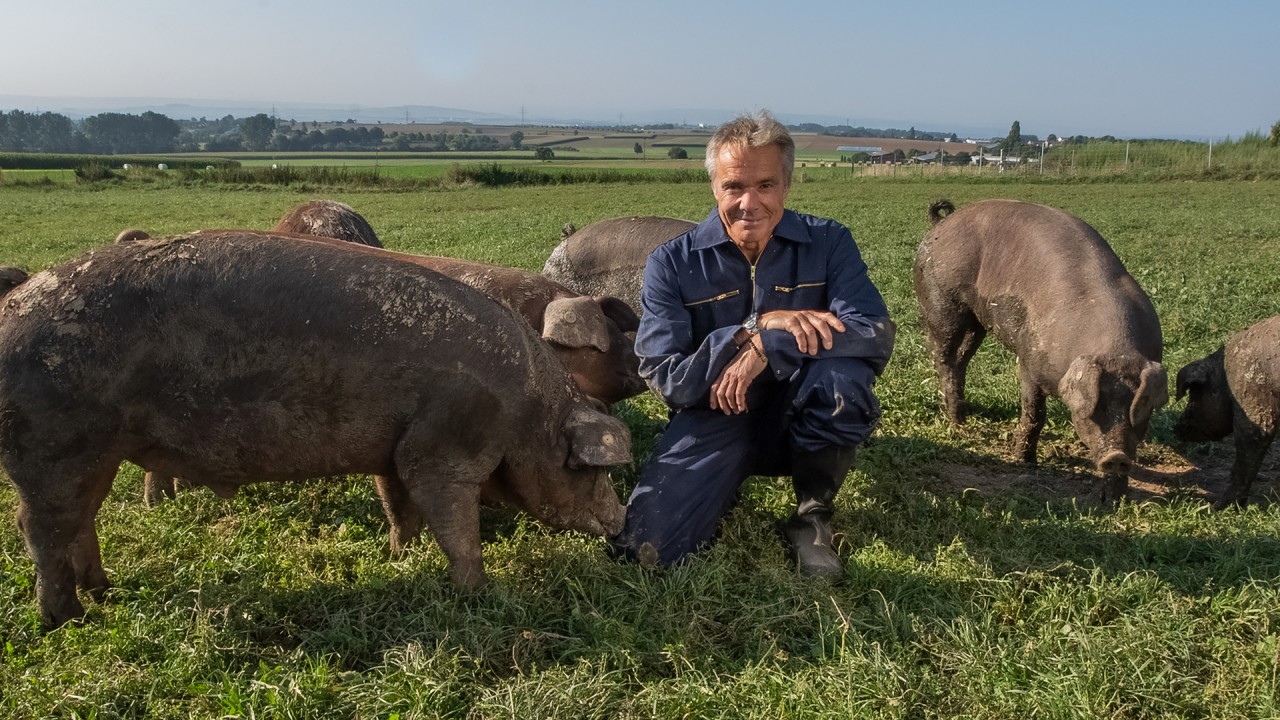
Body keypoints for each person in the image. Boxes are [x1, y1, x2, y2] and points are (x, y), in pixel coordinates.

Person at [611, 110, 895, 577]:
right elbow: (667, 378)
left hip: (800, 412)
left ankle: (812, 518)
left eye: (765, 185)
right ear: (714, 187)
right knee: (647, 547)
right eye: (734, 187)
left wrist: (768, 344)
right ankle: (723, 476)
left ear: (786, 185)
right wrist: (750, 327)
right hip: (717, 413)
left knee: (841, 383)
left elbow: (871, 331)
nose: (750, 202)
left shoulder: (828, 243)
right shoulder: (672, 263)